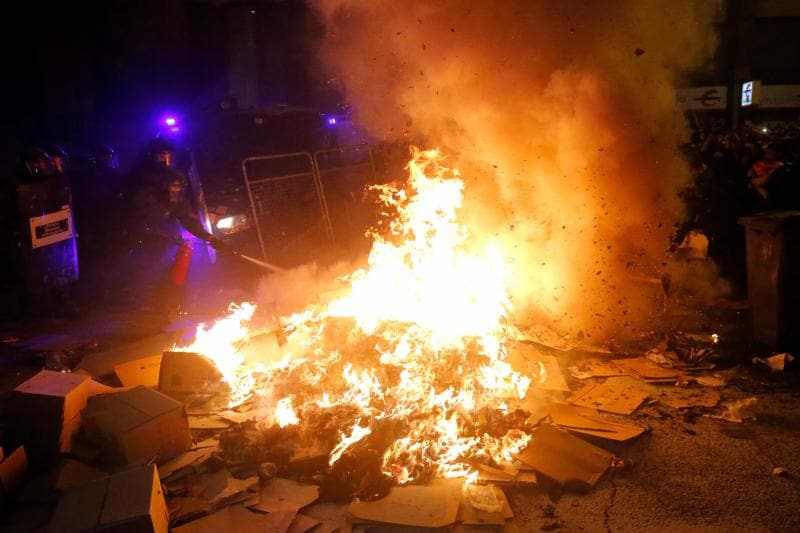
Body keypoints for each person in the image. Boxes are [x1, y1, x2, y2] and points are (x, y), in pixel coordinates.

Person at [122, 137, 228, 319]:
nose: (164, 159)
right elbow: (138, 216)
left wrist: (209, 238)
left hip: (167, 241)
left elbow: (184, 215)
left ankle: (168, 312)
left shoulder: (174, 180)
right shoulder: (141, 181)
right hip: (146, 241)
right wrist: (157, 235)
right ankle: (144, 315)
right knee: (148, 278)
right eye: (160, 155)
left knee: (173, 278)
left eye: (167, 155)